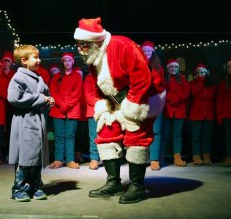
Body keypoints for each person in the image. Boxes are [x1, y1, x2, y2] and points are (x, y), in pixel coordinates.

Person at [74, 17, 163, 204]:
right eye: (78, 44)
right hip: (116, 99)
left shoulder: (122, 45)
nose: (80, 48)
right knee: (105, 133)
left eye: (83, 44)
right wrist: (102, 105)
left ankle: (137, 187)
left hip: (144, 97)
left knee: (136, 138)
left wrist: (132, 107)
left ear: (95, 41)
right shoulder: (93, 55)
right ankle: (113, 182)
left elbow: (142, 78)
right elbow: (100, 85)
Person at [7, 44, 54, 202]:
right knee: (26, 155)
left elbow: (45, 95)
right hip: (25, 121)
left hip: (38, 121)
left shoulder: (39, 78)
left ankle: (35, 186)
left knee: (36, 155)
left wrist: (48, 101)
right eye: (35, 57)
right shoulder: (18, 78)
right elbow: (14, 98)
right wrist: (40, 99)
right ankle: (19, 188)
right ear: (24, 60)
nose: (39, 60)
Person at [49, 52, 82, 169]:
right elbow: (53, 92)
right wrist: (61, 104)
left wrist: (67, 105)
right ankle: (58, 159)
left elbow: (77, 93)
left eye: (69, 60)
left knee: (70, 136)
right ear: (62, 63)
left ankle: (70, 160)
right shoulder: (57, 76)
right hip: (58, 110)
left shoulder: (77, 76)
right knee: (59, 135)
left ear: (73, 62)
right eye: (65, 61)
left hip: (72, 110)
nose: (67, 63)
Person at [141, 41, 166, 170]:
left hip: (156, 102)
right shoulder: (138, 65)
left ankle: (154, 159)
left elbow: (161, 85)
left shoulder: (158, 68)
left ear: (152, 52)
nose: (146, 53)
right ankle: (143, 158)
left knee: (156, 131)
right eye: (144, 51)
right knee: (143, 131)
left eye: (148, 51)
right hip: (142, 103)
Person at [162, 59, 190, 166]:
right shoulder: (165, 79)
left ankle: (177, 157)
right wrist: (171, 99)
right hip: (167, 111)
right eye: (171, 67)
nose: (173, 69)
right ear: (167, 68)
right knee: (165, 135)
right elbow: (162, 92)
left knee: (177, 135)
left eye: (175, 67)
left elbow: (186, 92)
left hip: (179, 111)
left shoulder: (182, 79)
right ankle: (161, 157)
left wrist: (176, 99)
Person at [188, 63, 216, 165]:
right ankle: (196, 157)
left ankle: (207, 157)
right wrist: (200, 82)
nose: (201, 74)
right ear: (195, 74)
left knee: (207, 137)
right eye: (198, 73)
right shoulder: (192, 84)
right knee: (196, 137)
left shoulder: (211, 84)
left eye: (202, 72)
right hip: (196, 114)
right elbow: (193, 93)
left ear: (206, 73)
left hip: (209, 114)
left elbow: (214, 98)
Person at [1, 51, 16, 162]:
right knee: (0, 131)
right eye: (4, 61)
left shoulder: (14, 75)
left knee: (11, 130)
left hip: (11, 106)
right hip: (0, 107)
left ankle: (10, 154)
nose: (5, 63)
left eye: (7, 61)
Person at [84, 72, 100, 170]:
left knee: (107, 135)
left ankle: (107, 158)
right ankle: (94, 159)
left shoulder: (106, 73)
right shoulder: (89, 77)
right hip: (93, 110)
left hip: (106, 109)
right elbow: (87, 94)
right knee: (93, 135)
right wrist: (98, 103)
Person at [217, 59, 231, 166]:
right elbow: (220, 100)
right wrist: (220, 115)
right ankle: (229, 157)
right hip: (227, 114)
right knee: (228, 137)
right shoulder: (224, 83)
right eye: (229, 67)